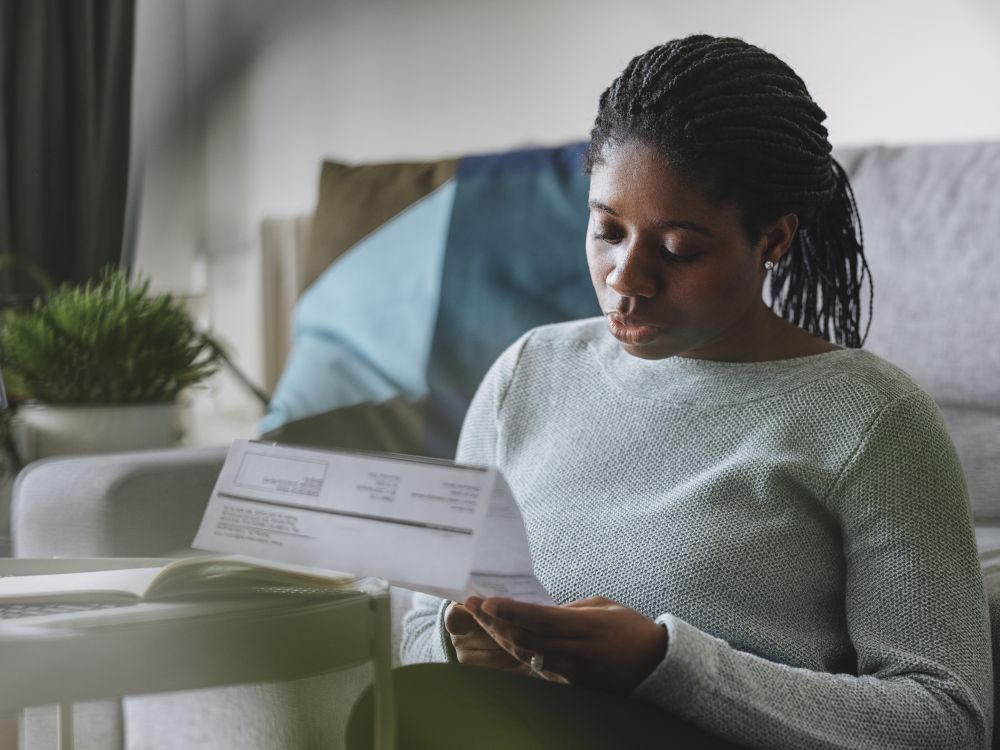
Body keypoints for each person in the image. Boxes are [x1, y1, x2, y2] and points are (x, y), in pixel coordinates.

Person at [349, 35, 992, 749]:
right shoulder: (527, 372)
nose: (626, 277)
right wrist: (457, 639)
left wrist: (662, 665)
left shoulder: (873, 420)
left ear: (773, 240)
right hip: (504, 723)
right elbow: (416, 624)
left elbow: (947, 720)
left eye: (679, 248)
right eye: (607, 231)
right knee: (395, 704)